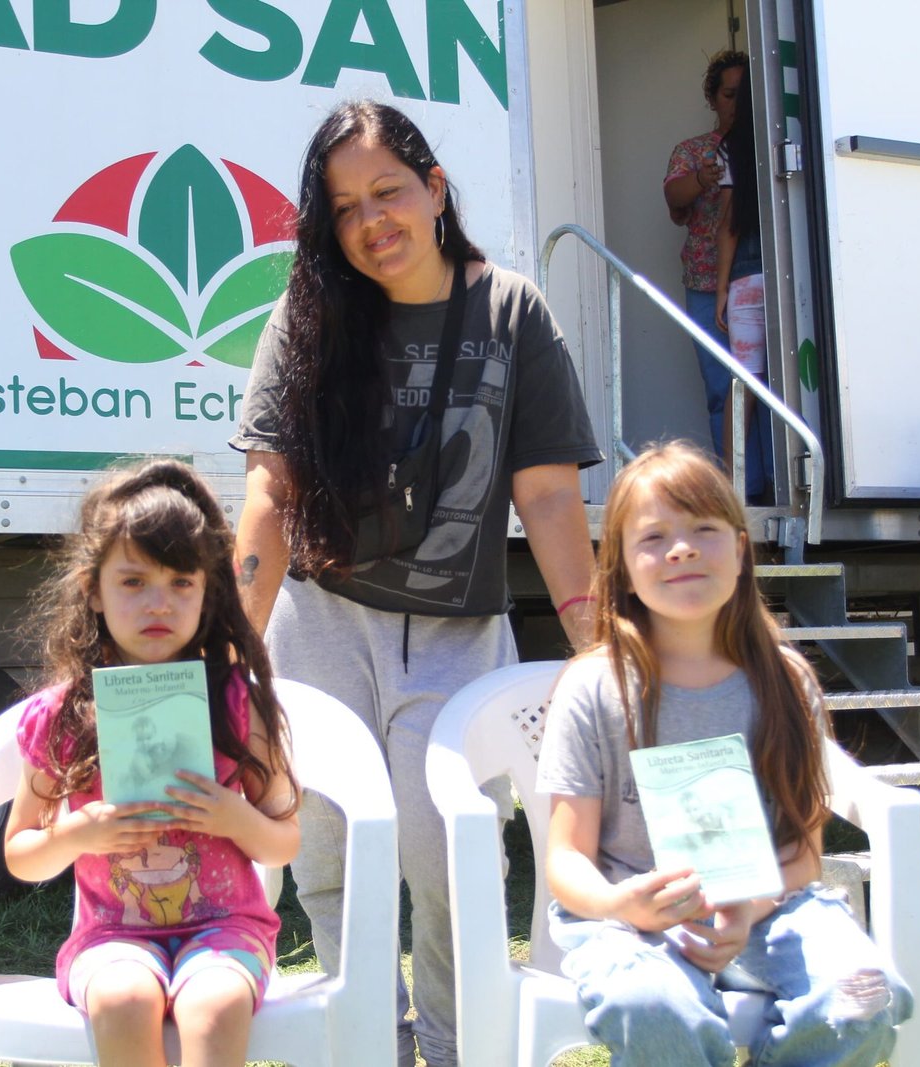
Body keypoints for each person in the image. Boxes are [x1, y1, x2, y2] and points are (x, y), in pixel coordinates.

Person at [231, 100, 601, 1067]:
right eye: (345, 207)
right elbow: (270, 489)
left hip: (453, 632)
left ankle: (451, 1043)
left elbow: (548, 496)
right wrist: (231, 651)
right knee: (329, 851)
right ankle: (374, 1043)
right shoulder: (308, 313)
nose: (371, 221)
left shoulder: (511, 310)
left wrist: (601, 651)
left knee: (448, 853)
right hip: (321, 620)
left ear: (435, 188)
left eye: (388, 191)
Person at [537, 441, 912, 1067]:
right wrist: (622, 904)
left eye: (703, 529)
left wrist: (748, 908)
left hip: (774, 909)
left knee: (861, 996)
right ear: (622, 568)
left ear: (740, 550)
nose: (681, 549)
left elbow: (803, 853)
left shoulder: (785, 681)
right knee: (655, 1008)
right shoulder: (593, 687)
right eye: (654, 537)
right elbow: (567, 858)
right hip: (628, 922)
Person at [2, 460, 301, 1067]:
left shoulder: (237, 703)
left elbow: (284, 840)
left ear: (208, 591)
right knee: (122, 999)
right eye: (133, 582)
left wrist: (233, 818)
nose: (158, 603)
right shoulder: (63, 715)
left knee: (214, 1004)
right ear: (93, 589)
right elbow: (20, 854)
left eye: (181, 582)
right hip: (111, 935)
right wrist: (77, 833)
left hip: (229, 928)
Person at [664, 49, 761, 489]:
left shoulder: (762, 145)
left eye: (744, 94)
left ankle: (771, 484)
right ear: (712, 98)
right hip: (707, 284)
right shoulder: (694, 151)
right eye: (728, 94)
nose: (736, 104)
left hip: (758, 280)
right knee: (725, 388)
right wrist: (703, 179)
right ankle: (741, 489)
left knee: (768, 390)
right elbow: (674, 198)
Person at [712, 73, 774, 498]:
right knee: (790, 387)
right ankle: (790, 482)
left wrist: (721, 289)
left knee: (743, 388)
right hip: (790, 278)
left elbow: (728, 226)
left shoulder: (732, 146)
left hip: (747, 280)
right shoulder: (786, 139)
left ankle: (731, 489)